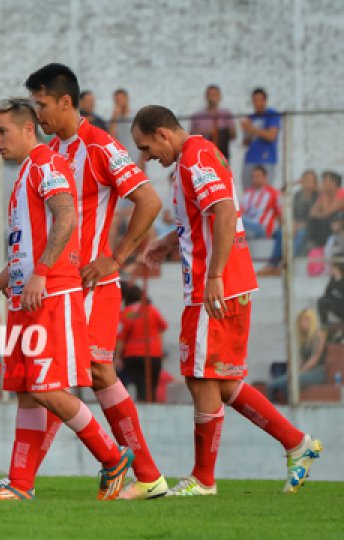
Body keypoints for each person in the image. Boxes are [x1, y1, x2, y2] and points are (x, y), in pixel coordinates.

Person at [135, 104, 322, 495]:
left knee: (200, 377)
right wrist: (169, 241)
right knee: (221, 380)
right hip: (222, 282)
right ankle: (295, 442)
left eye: (147, 146)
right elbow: (207, 216)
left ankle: (203, 479)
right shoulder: (197, 155)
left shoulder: (194, 157)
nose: (148, 156)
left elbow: (222, 211)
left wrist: (215, 275)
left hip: (214, 284)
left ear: (163, 133)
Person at [0, 98, 133, 502]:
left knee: (47, 388)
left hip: (54, 293)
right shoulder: (27, 170)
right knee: (28, 390)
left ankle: (112, 457)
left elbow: (67, 216)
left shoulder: (46, 163)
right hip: (29, 296)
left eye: (2, 131)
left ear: (29, 129)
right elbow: (25, 249)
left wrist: (42, 273)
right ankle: (20, 484)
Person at [22, 63, 166, 499]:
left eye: (42, 105)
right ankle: (23, 480)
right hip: (59, 282)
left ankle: (145, 474)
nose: (37, 114)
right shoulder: (51, 152)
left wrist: (115, 259)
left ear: (66, 102)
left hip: (88, 284)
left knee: (92, 372)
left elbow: (149, 199)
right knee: (54, 379)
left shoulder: (100, 145)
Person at [115, 282, 167, 402]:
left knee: (139, 386)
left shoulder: (126, 313)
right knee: (152, 388)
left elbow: (121, 338)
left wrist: (117, 357)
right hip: (153, 353)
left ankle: (141, 411)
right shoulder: (152, 310)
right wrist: (159, 348)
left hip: (132, 354)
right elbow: (162, 328)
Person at [267, 309, 327, 402]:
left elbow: (314, 359)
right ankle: (277, 410)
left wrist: (299, 372)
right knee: (272, 384)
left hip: (317, 372)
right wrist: (294, 371)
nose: (301, 324)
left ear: (310, 320)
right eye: (300, 321)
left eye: (303, 320)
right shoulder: (304, 338)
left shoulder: (319, 335)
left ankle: (291, 407)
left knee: (287, 382)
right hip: (305, 372)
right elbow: (301, 360)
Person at [240, 87, 281, 191]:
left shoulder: (272, 114)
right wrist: (247, 131)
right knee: (248, 191)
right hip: (250, 159)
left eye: (259, 100)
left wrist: (252, 129)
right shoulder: (250, 118)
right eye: (255, 101)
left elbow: (271, 135)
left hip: (266, 160)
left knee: (265, 192)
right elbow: (245, 143)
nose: (257, 103)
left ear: (265, 100)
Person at [190, 85, 236, 161]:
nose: (212, 98)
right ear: (206, 97)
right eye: (210, 95)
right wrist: (205, 131)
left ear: (219, 97)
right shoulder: (198, 116)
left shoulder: (226, 114)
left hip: (222, 155)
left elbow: (233, 136)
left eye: (215, 95)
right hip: (203, 155)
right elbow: (191, 138)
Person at [241, 166, 281, 239]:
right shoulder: (247, 194)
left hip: (263, 228)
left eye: (257, 176)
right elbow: (242, 211)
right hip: (248, 226)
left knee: (239, 218)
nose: (255, 179)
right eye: (253, 176)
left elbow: (280, 214)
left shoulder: (273, 193)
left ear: (265, 177)